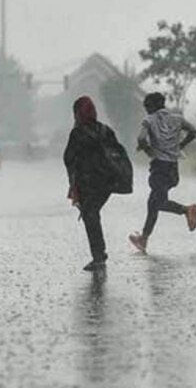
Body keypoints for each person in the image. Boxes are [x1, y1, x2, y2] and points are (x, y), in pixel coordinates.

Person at [129, 92, 196, 253]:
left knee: (158, 202)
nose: (146, 111)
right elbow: (194, 131)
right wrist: (180, 146)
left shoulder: (149, 120)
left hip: (159, 168)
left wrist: (148, 150)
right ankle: (143, 239)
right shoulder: (177, 118)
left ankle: (186, 210)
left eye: (147, 107)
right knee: (152, 203)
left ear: (152, 106)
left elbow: (141, 138)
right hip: (173, 169)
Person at [64, 96, 126, 271]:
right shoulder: (106, 130)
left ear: (77, 113)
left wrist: (73, 181)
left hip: (88, 183)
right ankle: (99, 255)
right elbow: (118, 153)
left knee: (90, 215)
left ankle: (99, 256)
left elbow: (69, 158)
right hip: (106, 183)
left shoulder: (77, 133)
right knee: (92, 214)